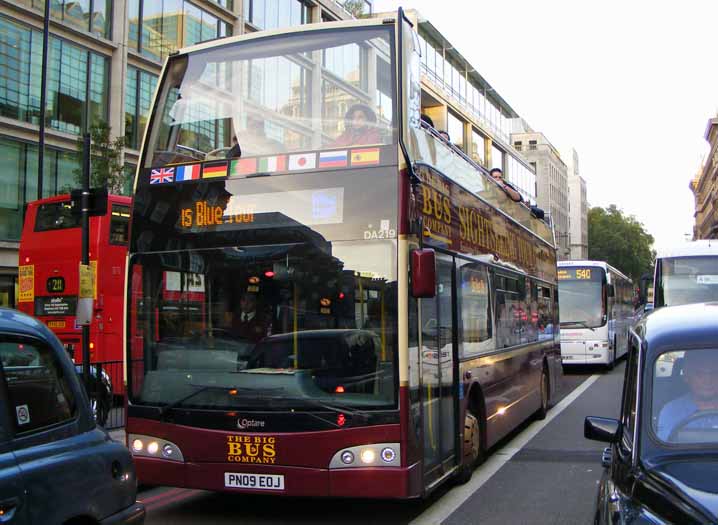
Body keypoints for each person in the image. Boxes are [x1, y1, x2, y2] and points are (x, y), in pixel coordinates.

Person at [657, 350, 718, 441]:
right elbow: (663, 450)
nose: (707, 380)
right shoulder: (671, 412)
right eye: (700, 374)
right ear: (686, 376)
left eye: (714, 373)